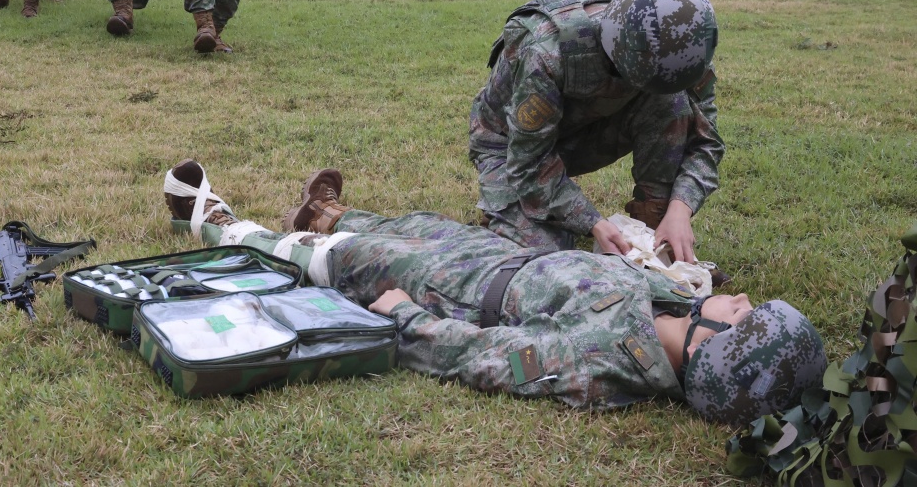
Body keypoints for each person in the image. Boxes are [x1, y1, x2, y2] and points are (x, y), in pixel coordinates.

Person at [161, 159, 827, 426]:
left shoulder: (605, 365)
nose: (741, 303)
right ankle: (325, 214)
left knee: (330, 259)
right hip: (493, 257)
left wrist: (409, 323)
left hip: (444, 288)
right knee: (407, 224)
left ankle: (214, 217)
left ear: (712, 351)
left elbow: (484, 356)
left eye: (742, 318)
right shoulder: (669, 313)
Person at [468, 0, 724, 267]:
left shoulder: (680, 51)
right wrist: (593, 223)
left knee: (673, 102)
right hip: (510, 146)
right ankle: (507, 212)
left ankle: (654, 235)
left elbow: (705, 142)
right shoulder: (549, 53)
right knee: (552, 261)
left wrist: (680, 210)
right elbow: (528, 163)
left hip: (587, 126)